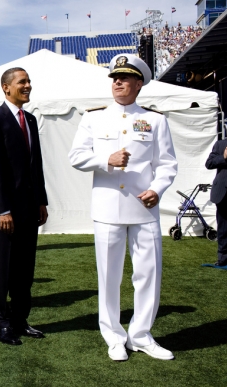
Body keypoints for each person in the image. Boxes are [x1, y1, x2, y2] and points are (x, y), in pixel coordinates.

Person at [69, 54, 177, 361]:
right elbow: (76, 156)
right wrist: (106, 160)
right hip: (107, 210)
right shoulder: (93, 117)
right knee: (109, 276)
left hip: (144, 209)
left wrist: (157, 189)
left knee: (148, 274)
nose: (117, 81)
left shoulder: (156, 120)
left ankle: (141, 335)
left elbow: (167, 163)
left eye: (125, 77)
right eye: (115, 77)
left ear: (139, 83)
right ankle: (114, 337)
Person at [0, 68, 49, 345]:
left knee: (24, 269)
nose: (28, 86)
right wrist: (3, 209)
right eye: (22, 82)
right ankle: (1, 323)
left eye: (29, 81)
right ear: (6, 87)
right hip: (4, 212)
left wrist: (42, 200)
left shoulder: (30, 120)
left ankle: (20, 319)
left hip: (29, 210)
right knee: (2, 269)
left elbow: (37, 166)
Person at [205, 139, 227, 266]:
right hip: (224, 192)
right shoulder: (221, 144)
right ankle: (223, 258)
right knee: (224, 227)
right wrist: (224, 157)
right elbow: (209, 163)